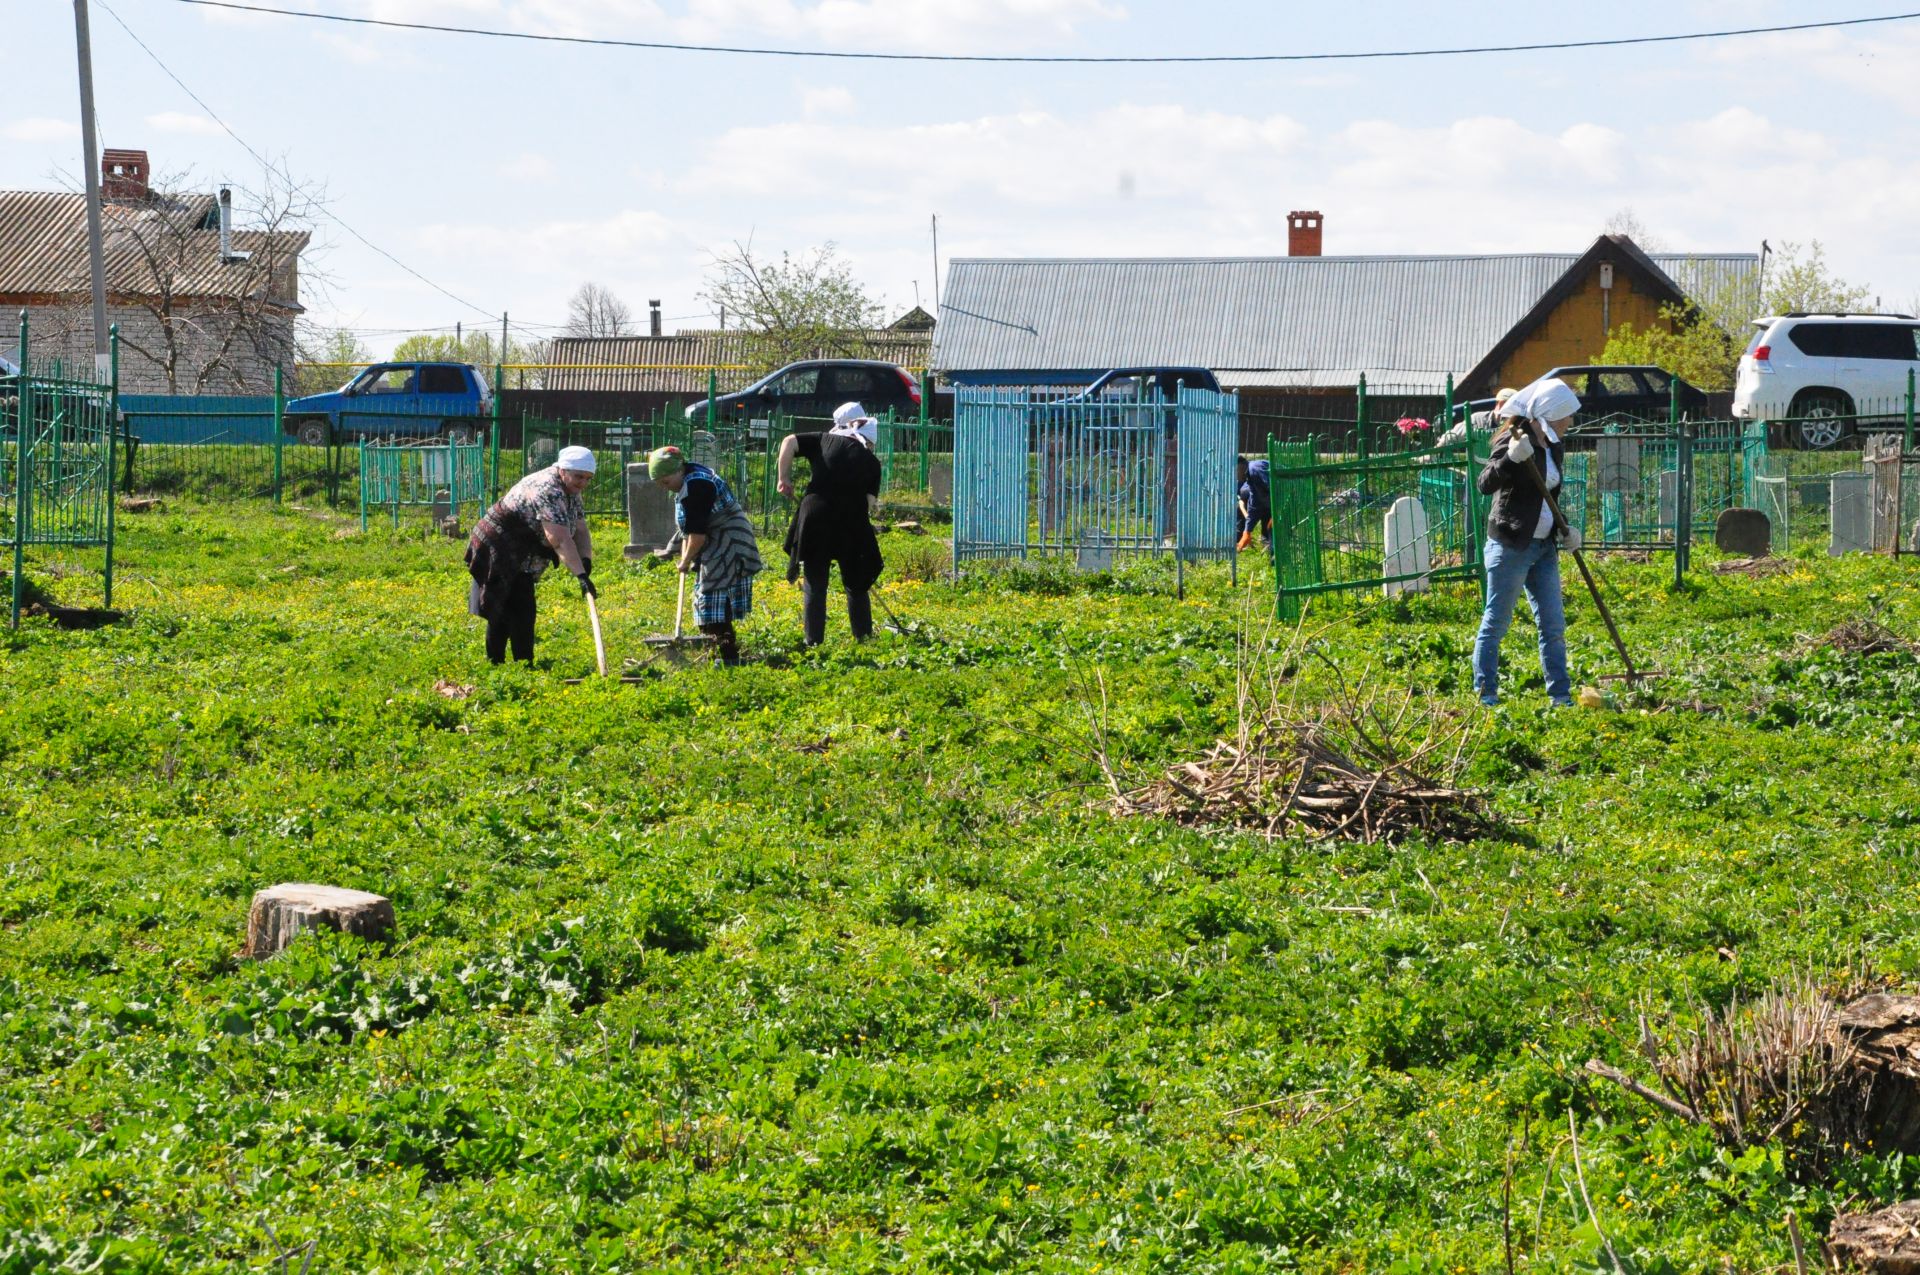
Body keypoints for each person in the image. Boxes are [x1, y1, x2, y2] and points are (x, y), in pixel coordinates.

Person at [1471, 378, 1583, 707]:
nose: (1570, 423)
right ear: (1548, 412)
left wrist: (1565, 528)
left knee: (1553, 624)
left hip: (1544, 547)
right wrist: (1511, 460)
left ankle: (1560, 697)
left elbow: (1548, 493)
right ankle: (1486, 694)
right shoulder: (1514, 437)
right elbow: (1485, 483)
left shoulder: (1554, 444)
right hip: (1511, 545)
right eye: (1566, 415)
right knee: (1496, 622)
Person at [466, 444, 597, 665]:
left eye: (587, 479)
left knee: (521, 605)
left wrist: (585, 562)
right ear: (563, 470)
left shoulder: (571, 490)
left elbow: (581, 529)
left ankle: (522, 664)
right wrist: (580, 576)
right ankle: (498, 664)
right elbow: (559, 538)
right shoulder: (549, 489)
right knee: (506, 604)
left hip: (523, 548)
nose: (582, 483)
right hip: (501, 543)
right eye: (578, 477)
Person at [778, 401, 885, 645]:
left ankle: (813, 642)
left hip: (815, 517)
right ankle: (864, 637)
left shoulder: (823, 440)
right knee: (856, 584)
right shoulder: (871, 462)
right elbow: (868, 504)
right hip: (850, 521)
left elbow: (788, 442)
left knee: (816, 582)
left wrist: (783, 478)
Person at [648, 444, 763, 667]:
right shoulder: (687, 480)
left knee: (715, 595)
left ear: (678, 470)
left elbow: (697, 535)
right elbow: (691, 527)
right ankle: (714, 653)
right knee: (708, 596)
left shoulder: (697, 484)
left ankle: (727, 657)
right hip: (713, 539)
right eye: (659, 484)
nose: (664, 487)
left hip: (728, 540)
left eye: (665, 482)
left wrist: (685, 561)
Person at [1433, 386, 1516, 451]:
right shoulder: (1477, 419)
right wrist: (1436, 450)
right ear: (1497, 403)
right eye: (1505, 404)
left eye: (1512, 406)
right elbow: (1454, 435)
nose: (1507, 409)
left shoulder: (1518, 423)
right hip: (1478, 467)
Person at [1235, 455, 1271, 551]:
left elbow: (1275, 488)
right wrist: (1247, 532)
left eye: (1234, 472)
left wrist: (1276, 514)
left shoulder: (1255, 468)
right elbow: (1254, 505)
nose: (1236, 478)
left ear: (1239, 466)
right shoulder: (1250, 478)